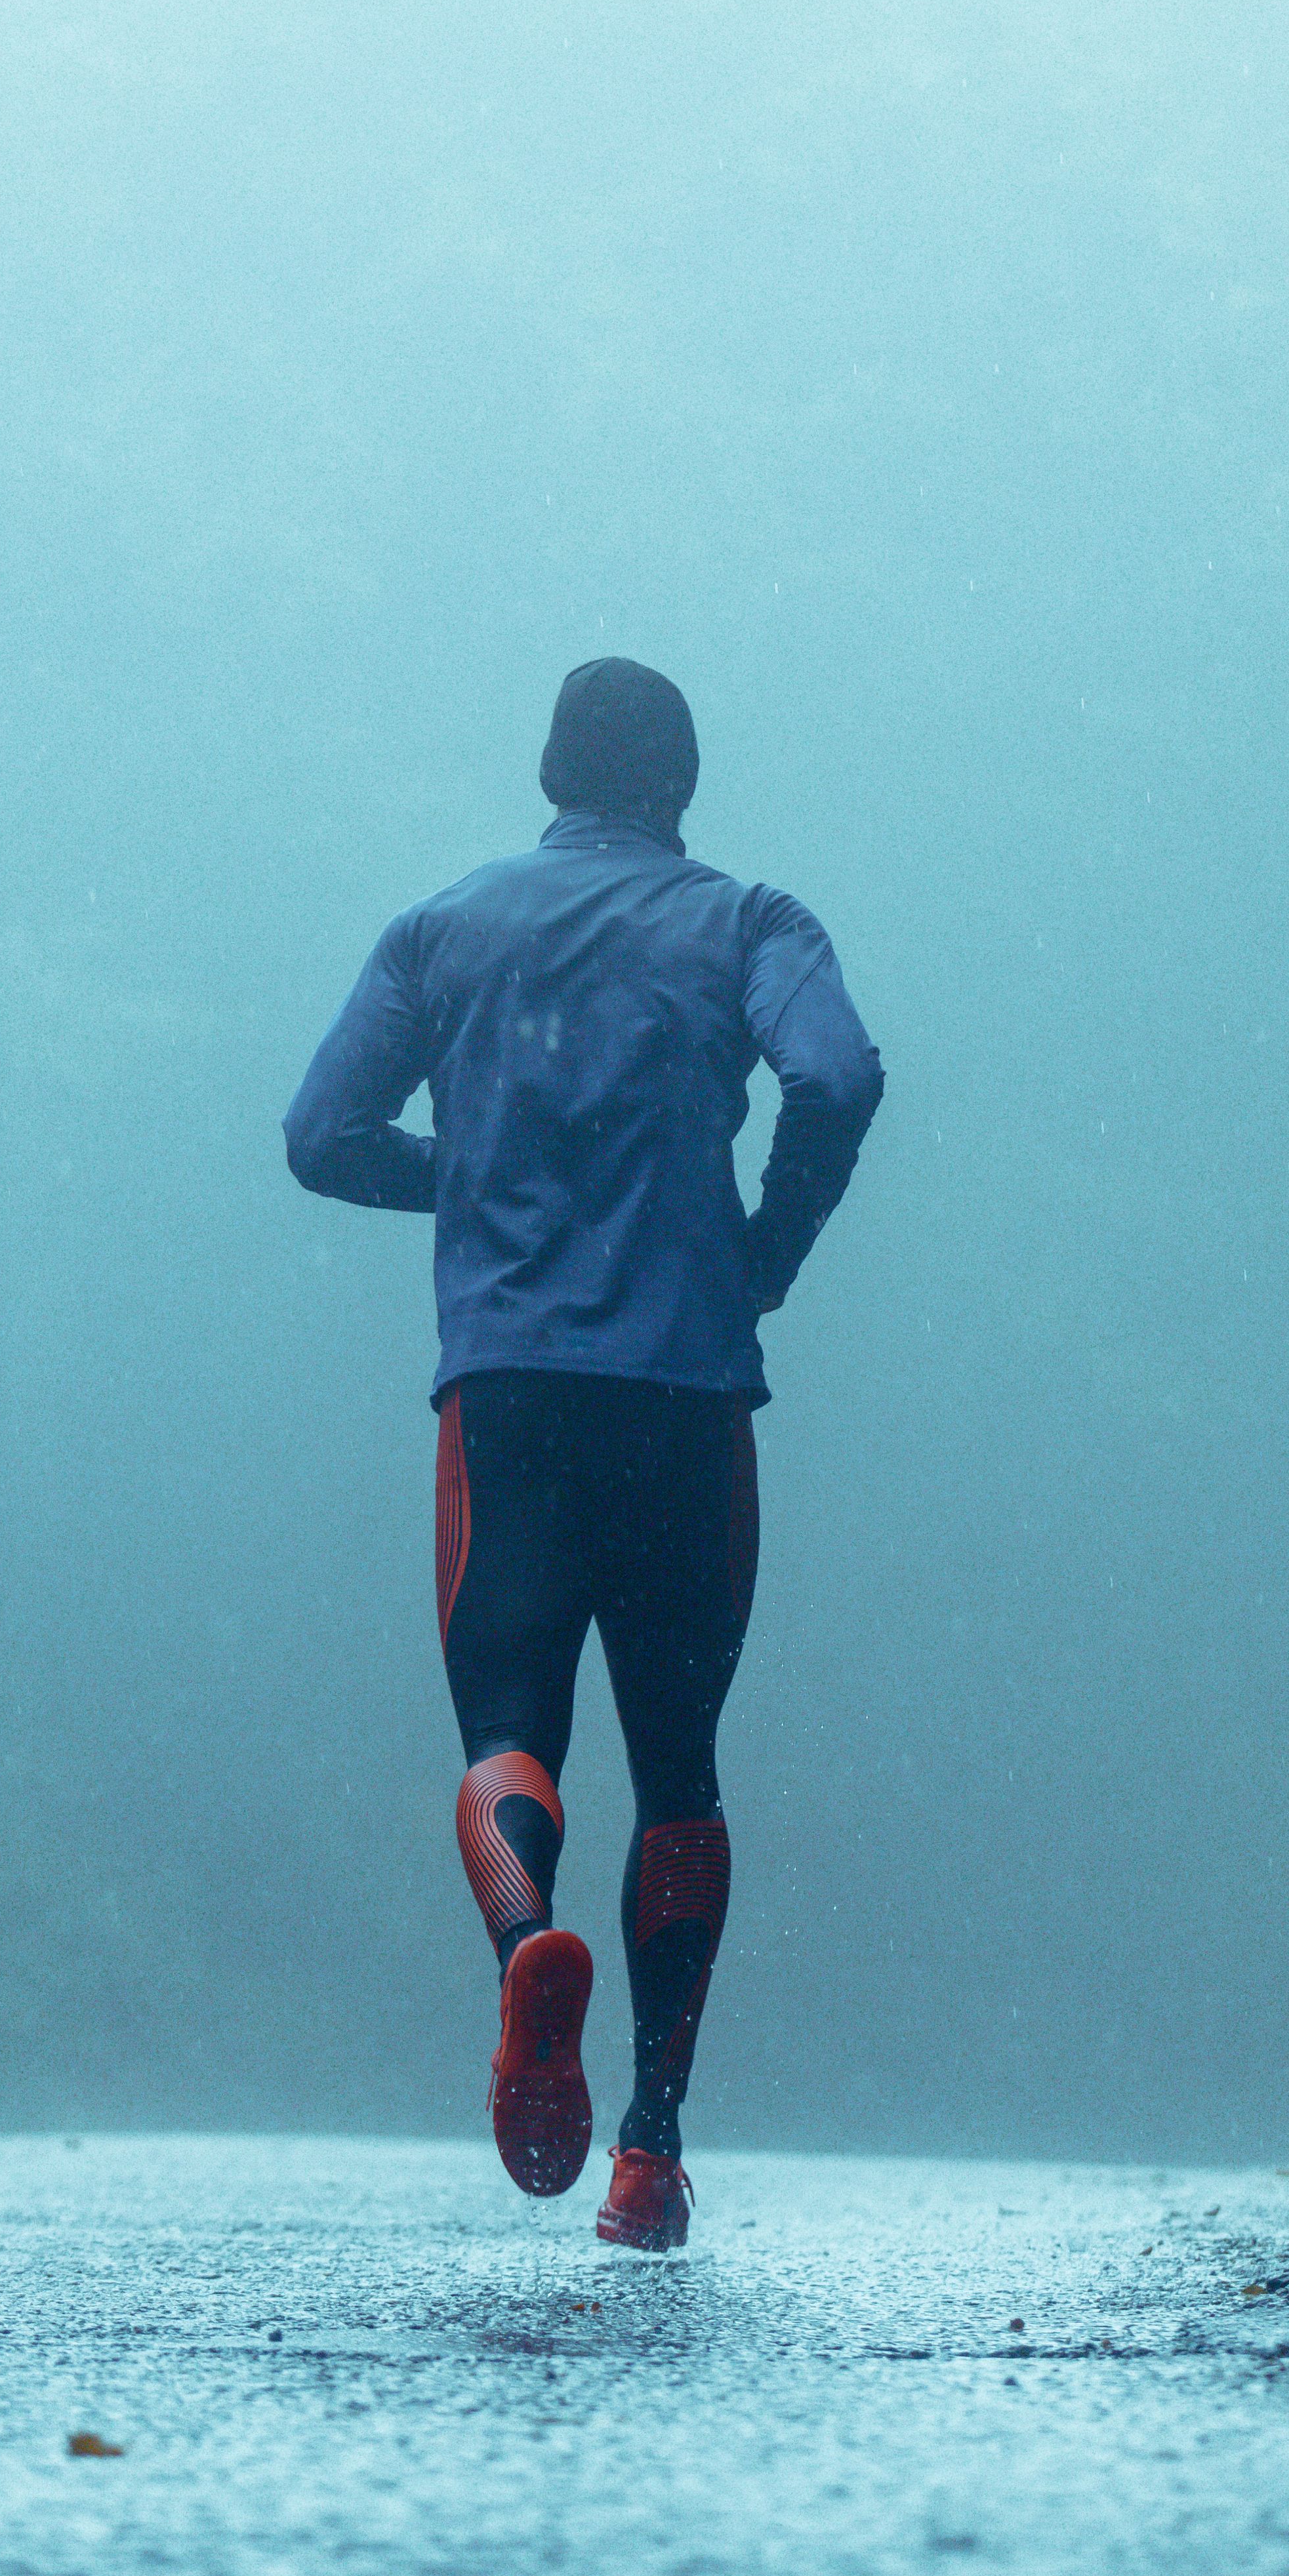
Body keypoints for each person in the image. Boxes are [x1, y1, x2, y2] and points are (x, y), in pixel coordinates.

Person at [282, 657, 884, 2252]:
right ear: (682, 785)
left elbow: (320, 1134)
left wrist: (482, 1178)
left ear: (548, 775)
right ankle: (652, 2151)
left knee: (506, 1728)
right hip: (688, 1392)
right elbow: (837, 1073)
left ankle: (529, 1950)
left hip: (512, 1396)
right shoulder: (751, 924)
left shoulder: (442, 930)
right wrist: (764, 1240)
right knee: (679, 1763)